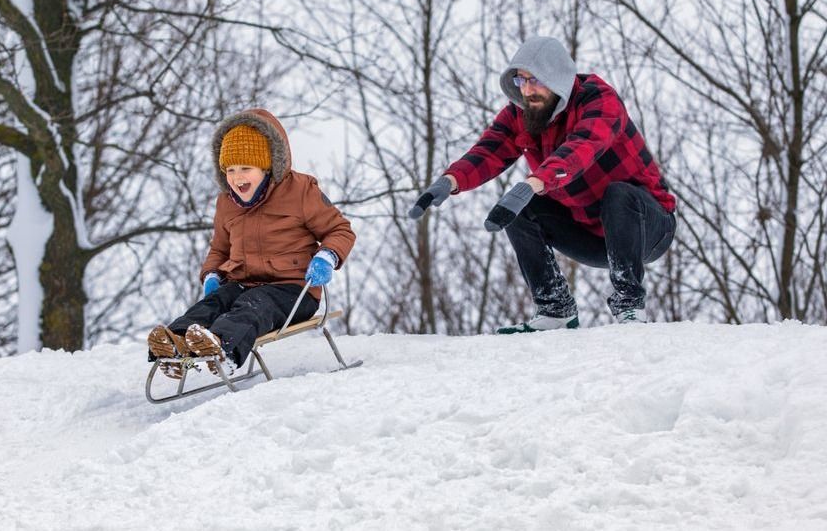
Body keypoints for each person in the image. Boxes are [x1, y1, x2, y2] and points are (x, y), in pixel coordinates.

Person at [410, 36, 676, 332]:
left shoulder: (598, 100)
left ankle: (629, 307)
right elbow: (489, 150)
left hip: (646, 228)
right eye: (521, 80)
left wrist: (535, 182)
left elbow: (582, 147)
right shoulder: (523, 114)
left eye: (534, 80)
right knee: (520, 208)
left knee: (618, 194)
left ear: (556, 77)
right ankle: (555, 309)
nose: (527, 90)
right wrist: (450, 180)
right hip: (589, 234)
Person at [148, 108, 356, 378]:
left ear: (267, 165)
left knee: (252, 306)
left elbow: (340, 229)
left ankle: (223, 348)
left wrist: (326, 257)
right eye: (230, 170)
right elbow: (220, 249)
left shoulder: (300, 191)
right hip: (243, 283)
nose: (237, 177)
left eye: (246, 168)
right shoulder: (226, 203)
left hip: (292, 290)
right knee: (214, 303)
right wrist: (212, 274)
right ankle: (175, 344)